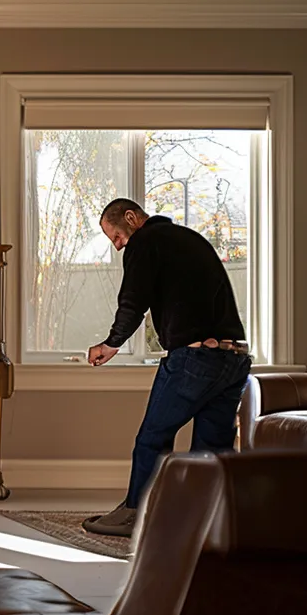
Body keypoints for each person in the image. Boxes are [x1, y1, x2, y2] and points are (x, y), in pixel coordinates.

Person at [82, 198, 249, 537]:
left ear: (131, 218)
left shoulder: (145, 242)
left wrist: (111, 344)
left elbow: (133, 300)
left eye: (115, 236)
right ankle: (210, 522)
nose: (117, 246)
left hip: (196, 359)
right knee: (212, 448)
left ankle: (139, 514)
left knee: (153, 439)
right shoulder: (191, 239)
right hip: (234, 359)